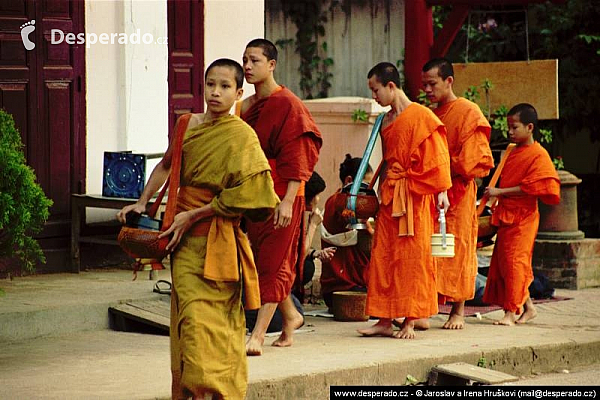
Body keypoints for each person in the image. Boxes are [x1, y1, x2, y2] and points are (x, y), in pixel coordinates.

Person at [116, 59, 280, 399]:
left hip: (219, 239)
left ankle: (218, 392)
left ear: (238, 93)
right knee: (191, 322)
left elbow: (260, 194)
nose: (215, 92)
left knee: (220, 326)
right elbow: (166, 165)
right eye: (210, 84)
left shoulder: (241, 136)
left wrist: (197, 213)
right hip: (185, 244)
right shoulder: (186, 124)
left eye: (224, 87)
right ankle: (195, 391)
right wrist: (142, 202)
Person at [357, 62, 452, 339]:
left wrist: (442, 192)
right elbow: (387, 161)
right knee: (383, 257)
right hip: (390, 196)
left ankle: (410, 319)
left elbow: (438, 159)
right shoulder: (385, 120)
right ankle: (384, 319)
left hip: (415, 198)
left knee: (413, 260)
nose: (374, 97)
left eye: (375, 90)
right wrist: (371, 189)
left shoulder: (422, 117)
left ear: (390, 86)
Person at [240, 38, 322, 355]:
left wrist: (288, 200)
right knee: (264, 262)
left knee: (274, 261)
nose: (247, 66)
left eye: (255, 60)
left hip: (283, 192)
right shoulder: (245, 106)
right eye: (245, 60)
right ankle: (290, 316)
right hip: (254, 193)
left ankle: (258, 335)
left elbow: (299, 155)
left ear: (271, 65)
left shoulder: (288, 104)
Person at [421, 58, 494, 330]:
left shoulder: (468, 111)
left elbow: (474, 160)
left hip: (459, 193)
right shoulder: (430, 114)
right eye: (424, 85)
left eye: (432, 84)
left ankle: (458, 311)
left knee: (460, 248)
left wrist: (443, 167)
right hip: (432, 193)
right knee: (429, 250)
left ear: (449, 81)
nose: (428, 90)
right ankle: (426, 307)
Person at [483, 103, 560, 326]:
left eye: (514, 127)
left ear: (529, 127)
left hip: (524, 216)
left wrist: (500, 191)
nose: (510, 132)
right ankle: (529, 308)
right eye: (508, 127)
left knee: (515, 263)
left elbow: (535, 186)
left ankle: (510, 312)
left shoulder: (538, 154)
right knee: (507, 264)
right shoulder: (512, 151)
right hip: (506, 214)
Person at [319, 154, 373, 310]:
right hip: (344, 289)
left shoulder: (335, 200)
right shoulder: (341, 204)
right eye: (365, 186)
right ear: (349, 181)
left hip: (346, 288)